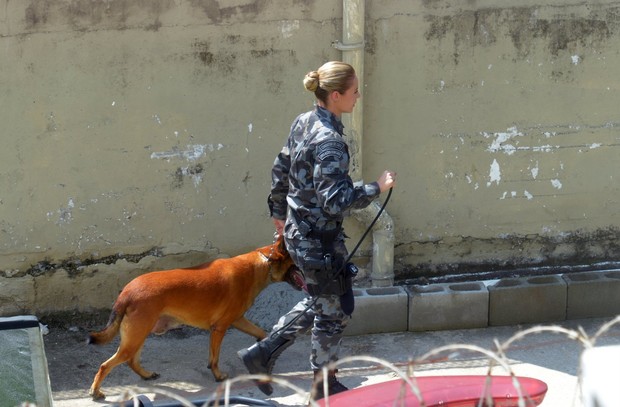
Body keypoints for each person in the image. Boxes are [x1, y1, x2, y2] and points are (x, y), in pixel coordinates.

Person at [237, 61, 396, 400]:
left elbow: (280, 167)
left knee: (325, 302)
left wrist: (279, 213)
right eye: (354, 92)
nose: (358, 97)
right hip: (318, 241)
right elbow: (335, 201)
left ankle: (265, 354)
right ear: (336, 95)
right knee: (334, 310)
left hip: (300, 233)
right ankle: (320, 383)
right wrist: (375, 188)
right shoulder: (330, 141)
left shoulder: (304, 121)